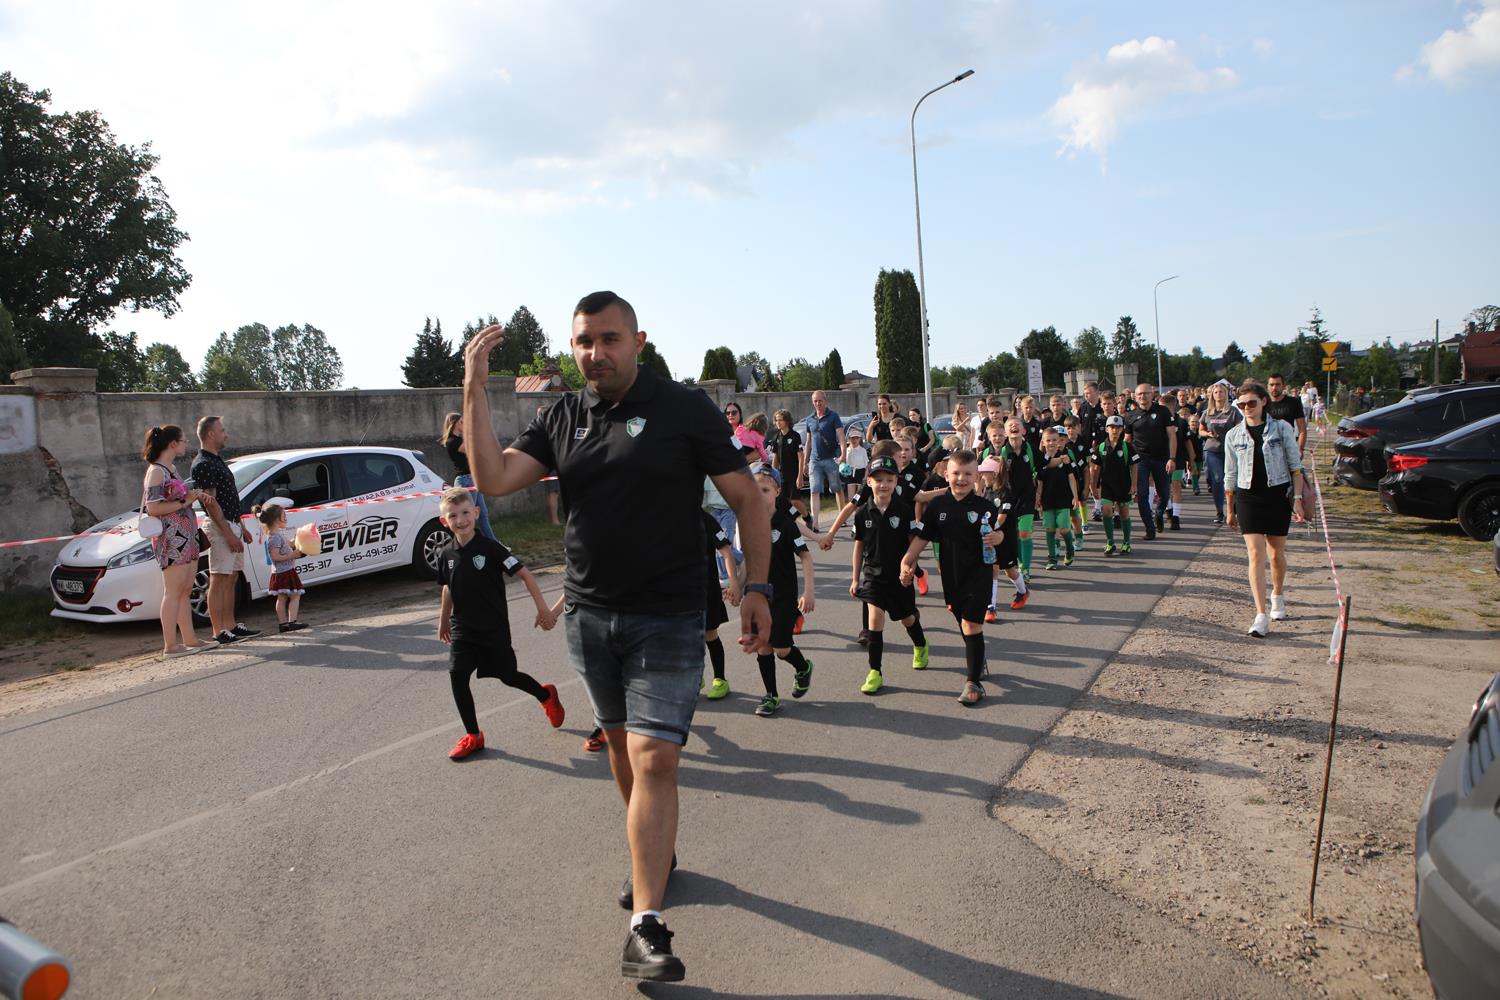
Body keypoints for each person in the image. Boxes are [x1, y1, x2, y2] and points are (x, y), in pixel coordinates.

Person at [461, 291, 768, 984]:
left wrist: (757, 587)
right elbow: (493, 478)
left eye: (608, 339)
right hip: (591, 618)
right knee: (626, 750)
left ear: (638, 341)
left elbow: (747, 498)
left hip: (669, 614)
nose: (595, 353)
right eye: (583, 342)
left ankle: (646, 926)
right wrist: (475, 389)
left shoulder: (684, 408)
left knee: (655, 757)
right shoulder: (562, 415)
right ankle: (653, 853)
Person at [434, 487, 565, 761]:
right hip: (463, 629)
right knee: (457, 675)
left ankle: (545, 695)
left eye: (465, 513)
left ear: (476, 513)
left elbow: (525, 575)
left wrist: (543, 609)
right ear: (444, 521)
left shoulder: (491, 548)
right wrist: (444, 620)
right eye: (453, 516)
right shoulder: (446, 553)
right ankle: (473, 735)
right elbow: (447, 587)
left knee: (508, 675)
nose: (460, 520)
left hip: (493, 629)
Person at [899, 449, 1003, 706]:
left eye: (968, 474)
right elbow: (922, 538)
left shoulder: (985, 508)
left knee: (971, 624)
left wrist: (998, 537)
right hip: (951, 576)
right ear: (946, 475)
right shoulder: (937, 506)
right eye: (956, 473)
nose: (961, 479)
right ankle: (977, 658)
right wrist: (906, 561)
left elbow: (1002, 534)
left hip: (978, 574)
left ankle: (973, 683)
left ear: (976, 476)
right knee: (962, 620)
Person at [1224, 380, 1309, 638]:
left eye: (1251, 403)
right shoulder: (1233, 435)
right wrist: (1230, 509)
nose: (1246, 408)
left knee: (1275, 554)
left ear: (1263, 401)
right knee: (1255, 554)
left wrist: (1297, 500)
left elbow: (1296, 467)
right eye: (1241, 405)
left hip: (1277, 495)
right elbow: (1230, 475)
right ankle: (1260, 615)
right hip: (1247, 497)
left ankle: (1277, 595)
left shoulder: (1281, 428)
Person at [849, 456, 929, 694]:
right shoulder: (862, 513)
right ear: (869, 482)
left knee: (907, 618)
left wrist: (911, 568)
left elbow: (913, 543)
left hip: (899, 576)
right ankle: (875, 672)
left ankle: (920, 645)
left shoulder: (904, 511)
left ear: (896, 482)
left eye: (889, 480)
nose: (883, 484)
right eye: (878, 480)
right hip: (873, 575)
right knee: (874, 620)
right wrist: (855, 578)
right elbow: (858, 546)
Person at [741, 464, 815, 716]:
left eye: (765, 489)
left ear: (777, 492)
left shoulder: (786, 524)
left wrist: (808, 592)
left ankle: (802, 667)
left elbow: (805, 557)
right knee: (763, 646)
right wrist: (737, 584)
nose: (759, 494)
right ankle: (771, 695)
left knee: (782, 649)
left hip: (783, 596)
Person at [140, 425, 213, 659]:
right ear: (172, 444)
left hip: (185, 535)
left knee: (185, 589)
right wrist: (185, 501)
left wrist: (192, 496)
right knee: (173, 591)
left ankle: (190, 639)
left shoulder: (170, 469)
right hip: (172, 538)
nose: (185, 444)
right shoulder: (156, 472)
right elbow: (153, 508)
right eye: (183, 441)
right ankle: (170, 645)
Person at [191, 416, 262, 645]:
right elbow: (211, 503)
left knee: (232, 577)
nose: (226, 434)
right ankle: (218, 630)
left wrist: (240, 527)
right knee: (219, 577)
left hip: (232, 524)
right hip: (220, 527)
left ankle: (230, 625)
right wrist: (229, 533)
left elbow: (229, 497)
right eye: (222, 430)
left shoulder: (216, 460)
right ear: (210, 434)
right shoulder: (203, 464)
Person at [1121, 384, 1177, 540]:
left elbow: (1172, 435)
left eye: (1145, 393)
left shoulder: (1163, 411)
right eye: (1139, 394)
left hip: (1161, 458)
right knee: (1142, 494)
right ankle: (1149, 528)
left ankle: (1159, 513)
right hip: (1141, 460)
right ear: (1135, 396)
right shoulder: (1130, 415)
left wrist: (1172, 458)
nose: (1142, 397)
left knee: (1164, 493)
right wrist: (1122, 458)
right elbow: (1127, 439)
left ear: (1152, 394)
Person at [699, 510, 740, 700]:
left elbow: (726, 553)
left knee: (710, 634)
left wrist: (734, 583)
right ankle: (694, 675)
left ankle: (720, 679)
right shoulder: (672, 520)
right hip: (681, 592)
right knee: (686, 637)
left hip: (707, 589)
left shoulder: (707, 520)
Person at [441, 412, 498, 541]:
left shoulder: (459, 440)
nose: (464, 424)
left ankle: (494, 544)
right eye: (462, 422)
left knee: (482, 514)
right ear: (455, 424)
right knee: (467, 516)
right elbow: (472, 449)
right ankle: (465, 544)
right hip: (465, 480)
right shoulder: (453, 441)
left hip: (472, 479)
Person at [255, 503, 308, 633]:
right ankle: (291, 622)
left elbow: (288, 545)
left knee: (282, 598)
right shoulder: (274, 537)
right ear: (276, 519)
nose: (286, 518)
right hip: (284, 572)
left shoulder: (276, 535)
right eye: (284, 516)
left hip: (281, 572)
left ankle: (284, 624)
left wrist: (297, 539)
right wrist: (292, 555)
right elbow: (275, 556)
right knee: (294, 595)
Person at [1090, 415, 1138, 556]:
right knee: (1106, 511)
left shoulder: (1127, 447)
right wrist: (1094, 486)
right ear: (1106, 429)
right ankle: (1110, 542)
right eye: (1111, 427)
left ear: (1122, 429)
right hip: (1107, 486)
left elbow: (1135, 466)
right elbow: (1096, 468)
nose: (1114, 430)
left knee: (1124, 513)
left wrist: (1134, 485)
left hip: (1124, 485)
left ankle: (1126, 542)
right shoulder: (1101, 447)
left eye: (1118, 427)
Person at [799, 391, 845, 530]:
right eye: (815, 401)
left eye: (820, 400)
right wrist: (805, 462)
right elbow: (808, 442)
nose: (818, 403)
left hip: (831, 459)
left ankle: (841, 516)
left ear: (825, 401)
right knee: (814, 490)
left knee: (837, 488)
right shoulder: (809, 419)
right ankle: (815, 523)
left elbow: (841, 437)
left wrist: (843, 455)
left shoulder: (833, 416)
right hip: (815, 460)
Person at [1035, 428, 1079, 570]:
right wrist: (1038, 498)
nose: (1052, 443)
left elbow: (1071, 478)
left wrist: (1075, 496)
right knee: (1050, 529)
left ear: (1059, 441)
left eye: (1054, 440)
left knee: (1064, 528)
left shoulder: (1065, 458)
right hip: (1047, 500)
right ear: (1043, 442)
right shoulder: (1041, 461)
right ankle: (1052, 558)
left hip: (1063, 499)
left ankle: (1070, 549)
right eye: (1048, 440)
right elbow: (1040, 483)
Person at [1198, 382, 1240, 526]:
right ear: (1212, 395)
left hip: (1230, 450)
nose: (1218, 394)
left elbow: (1240, 428)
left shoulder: (1233, 411)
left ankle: (1232, 507)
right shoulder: (1207, 412)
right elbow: (1201, 430)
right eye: (1216, 392)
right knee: (1217, 479)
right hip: (1212, 449)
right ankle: (1219, 511)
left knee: (1231, 480)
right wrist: (1207, 434)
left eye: (1221, 392)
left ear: (1226, 394)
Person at [766, 409, 802, 506]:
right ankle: (794, 515)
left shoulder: (795, 436)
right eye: (776, 420)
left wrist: (800, 476)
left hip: (793, 474)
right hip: (782, 475)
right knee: (784, 501)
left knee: (795, 500)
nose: (778, 422)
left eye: (780, 420)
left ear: (787, 421)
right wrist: (773, 475)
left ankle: (806, 514)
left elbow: (800, 456)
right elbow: (775, 458)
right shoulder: (776, 437)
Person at [1264, 373, 1307, 455]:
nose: (1274, 388)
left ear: (1283, 386)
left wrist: (1300, 448)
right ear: (1267, 386)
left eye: (1277, 384)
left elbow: (1302, 428)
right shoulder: (1262, 403)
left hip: (1288, 445)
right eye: (1271, 385)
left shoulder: (1294, 402)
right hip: (1267, 447)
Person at [536, 404, 563, 525]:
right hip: (551, 464)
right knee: (553, 492)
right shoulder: (547, 429)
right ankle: (554, 521)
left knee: (552, 492)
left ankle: (554, 519)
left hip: (548, 464)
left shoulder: (539, 429)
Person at [840, 427, 869, 505]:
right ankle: (852, 510)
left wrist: (865, 476)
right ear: (849, 439)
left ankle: (860, 509)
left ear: (860, 439)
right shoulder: (846, 450)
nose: (854, 440)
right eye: (852, 438)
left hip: (860, 472)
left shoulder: (862, 450)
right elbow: (843, 462)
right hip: (850, 472)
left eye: (857, 438)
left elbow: (867, 465)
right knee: (851, 497)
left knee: (859, 495)